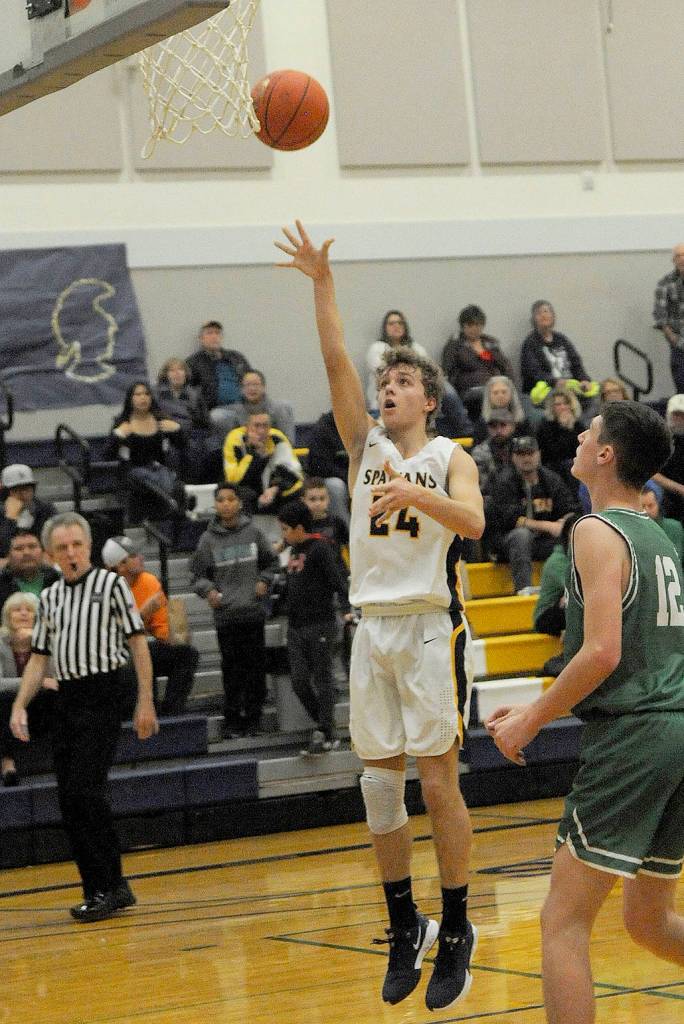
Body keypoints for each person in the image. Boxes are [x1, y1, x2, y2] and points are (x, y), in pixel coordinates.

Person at [276, 221, 485, 1011]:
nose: (387, 389)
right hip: (372, 630)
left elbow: (471, 525)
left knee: (439, 786)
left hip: (432, 626)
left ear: (429, 400)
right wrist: (323, 285)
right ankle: (407, 924)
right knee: (375, 789)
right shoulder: (363, 446)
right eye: (384, 382)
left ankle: (459, 925)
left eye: (402, 383)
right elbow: (336, 361)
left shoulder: (449, 455)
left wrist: (415, 492)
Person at [486, 400, 684, 1024]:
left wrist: (531, 719)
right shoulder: (661, 536)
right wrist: (547, 701)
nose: (578, 433)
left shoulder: (596, 531)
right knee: (647, 921)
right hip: (674, 729)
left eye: (590, 430)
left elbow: (601, 653)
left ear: (606, 455)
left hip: (636, 738)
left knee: (562, 922)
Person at [9, 512, 157, 923]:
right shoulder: (52, 597)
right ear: (51, 554)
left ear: (88, 547)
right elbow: (39, 659)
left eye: (77, 545)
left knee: (86, 791)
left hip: (105, 692)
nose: (71, 553)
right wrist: (20, 704)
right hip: (68, 698)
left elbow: (138, 644)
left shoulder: (110, 585)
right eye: (62, 547)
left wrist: (145, 700)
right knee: (70, 799)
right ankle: (100, 888)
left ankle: (112, 884)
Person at [189, 483, 279, 737]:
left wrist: (264, 579)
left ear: (239, 503)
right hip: (226, 617)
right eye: (220, 500)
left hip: (252, 614)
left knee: (255, 670)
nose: (226, 504)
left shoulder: (254, 532)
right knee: (232, 672)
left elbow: (272, 562)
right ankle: (232, 722)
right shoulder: (207, 540)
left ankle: (253, 719)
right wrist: (209, 592)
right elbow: (196, 576)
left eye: (230, 499)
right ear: (215, 504)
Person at [277, 500, 350, 755]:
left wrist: (347, 607)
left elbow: (337, 580)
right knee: (298, 681)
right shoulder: (292, 552)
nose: (283, 535)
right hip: (296, 625)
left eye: (286, 529)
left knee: (322, 677)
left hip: (321, 623)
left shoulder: (320, 548)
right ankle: (324, 724)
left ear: (299, 528)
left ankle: (325, 731)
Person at [102, 536, 199, 716]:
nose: (141, 558)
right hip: (117, 655)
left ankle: (172, 712)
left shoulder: (148, 581)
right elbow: (112, 636)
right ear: (120, 565)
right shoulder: (104, 590)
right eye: (134, 555)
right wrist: (143, 613)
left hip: (142, 647)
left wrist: (176, 636)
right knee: (138, 656)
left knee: (186, 654)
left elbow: (161, 629)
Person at [489, 435, 579, 595]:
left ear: (539, 454)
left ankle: (571, 591)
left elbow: (570, 508)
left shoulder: (551, 480)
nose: (526, 458)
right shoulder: (503, 481)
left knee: (573, 535)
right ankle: (524, 590)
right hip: (507, 543)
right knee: (521, 535)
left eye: (530, 453)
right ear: (513, 457)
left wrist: (564, 522)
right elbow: (508, 518)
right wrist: (548, 526)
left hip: (543, 541)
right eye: (521, 454)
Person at [0, 592, 57, 786]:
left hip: (41, 709)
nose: (24, 614)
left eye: (29, 610)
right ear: (8, 617)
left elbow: (58, 679)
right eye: (17, 610)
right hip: (9, 711)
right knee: (5, 701)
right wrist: (36, 682)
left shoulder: (49, 641)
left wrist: (38, 640)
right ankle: (8, 765)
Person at [108, 381, 187, 518]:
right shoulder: (122, 422)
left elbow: (183, 446)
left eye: (146, 394)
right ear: (130, 398)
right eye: (138, 394)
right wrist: (118, 436)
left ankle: (173, 509)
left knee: (166, 476)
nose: (143, 398)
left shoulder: (161, 420)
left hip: (159, 469)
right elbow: (108, 455)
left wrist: (177, 430)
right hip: (133, 473)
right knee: (146, 477)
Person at [223, 410, 304, 514]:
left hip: (272, 488)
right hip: (249, 488)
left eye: (265, 426)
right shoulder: (235, 441)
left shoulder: (277, 438)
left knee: (296, 489)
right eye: (256, 426)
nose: (261, 431)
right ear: (246, 428)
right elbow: (234, 480)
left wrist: (275, 488)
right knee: (244, 493)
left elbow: (293, 471)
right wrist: (255, 455)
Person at [520, 301, 596, 402]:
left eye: (546, 311)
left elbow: (576, 364)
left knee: (597, 394)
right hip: (548, 390)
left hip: (571, 387)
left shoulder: (561, 339)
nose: (544, 315)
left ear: (553, 316)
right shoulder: (530, 343)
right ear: (534, 319)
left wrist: (584, 380)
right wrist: (555, 382)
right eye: (539, 313)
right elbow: (533, 372)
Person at [186, 319, 252, 435]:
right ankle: (233, 451)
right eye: (210, 333)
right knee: (218, 418)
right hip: (217, 409)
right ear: (201, 339)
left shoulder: (236, 357)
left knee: (283, 407)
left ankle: (287, 450)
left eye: (217, 333)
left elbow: (252, 378)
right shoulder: (193, 362)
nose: (214, 336)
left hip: (245, 405)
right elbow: (186, 390)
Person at [440, 305, 514, 399]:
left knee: (512, 396)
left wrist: (510, 385)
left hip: (495, 386)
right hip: (469, 390)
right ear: (463, 326)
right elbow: (447, 372)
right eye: (470, 325)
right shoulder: (454, 346)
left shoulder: (490, 343)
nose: (474, 329)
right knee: (490, 394)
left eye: (478, 325)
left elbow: (505, 365)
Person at [219, 369, 296, 443]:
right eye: (248, 385)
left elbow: (288, 442)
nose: (252, 388)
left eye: (256, 384)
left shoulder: (279, 409)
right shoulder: (234, 412)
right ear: (241, 389)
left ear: (264, 387)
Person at [0, 465, 57, 562]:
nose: (23, 495)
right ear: (5, 494)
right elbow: (3, 550)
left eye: (26, 489)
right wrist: (10, 519)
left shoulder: (46, 510)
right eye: (16, 490)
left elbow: (53, 544)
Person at [0, 528, 60, 614]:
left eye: (32, 546)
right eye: (19, 548)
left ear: (43, 552)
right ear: (8, 555)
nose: (26, 552)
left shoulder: (57, 580)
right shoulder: (2, 583)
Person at [536, 385, 583, 491]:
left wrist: (570, 428)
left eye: (565, 403)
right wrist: (564, 429)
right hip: (553, 468)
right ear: (552, 407)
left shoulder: (578, 425)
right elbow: (554, 452)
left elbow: (579, 450)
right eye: (558, 404)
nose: (562, 407)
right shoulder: (545, 426)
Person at [653, 244, 684, 393]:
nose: (682, 259)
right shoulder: (665, 283)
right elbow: (660, 317)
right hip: (679, 346)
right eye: (678, 256)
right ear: (673, 260)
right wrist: (675, 340)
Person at [301, 476, 349, 567]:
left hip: (335, 572)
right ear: (303, 501)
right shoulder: (300, 525)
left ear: (328, 499)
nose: (318, 503)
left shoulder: (337, 523)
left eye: (322, 499)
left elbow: (348, 546)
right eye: (312, 499)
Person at [653, 394, 684, 523]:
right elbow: (650, 473)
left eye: (682, 415)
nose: (680, 419)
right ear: (668, 415)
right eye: (676, 415)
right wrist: (679, 488)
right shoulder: (659, 439)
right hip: (667, 496)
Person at [472, 375, 529, 443]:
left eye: (504, 392)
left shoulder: (522, 421)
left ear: (511, 393)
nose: (500, 396)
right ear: (488, 396)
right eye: (495, 393)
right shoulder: (483, 422)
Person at [640, 480, 684, 565]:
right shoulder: (631, 528)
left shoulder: (673, 527)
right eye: (642, 506)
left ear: (658, 504)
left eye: (651, 506)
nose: (646, 511)